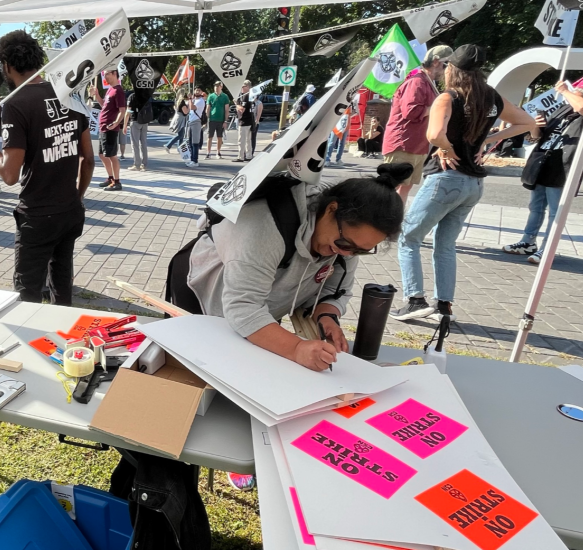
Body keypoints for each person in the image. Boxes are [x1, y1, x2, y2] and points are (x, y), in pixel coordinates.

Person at [171, 164, 410, 493]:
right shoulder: (264, 227)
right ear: (331, 209)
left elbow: (335, 287)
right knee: (200, 377)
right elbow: (241, 308)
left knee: (257, 367)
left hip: (263, 299)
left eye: (360, 250)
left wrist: (327, 316)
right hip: (206, 291)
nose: (346, 253)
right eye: (344, 244)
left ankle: (245, 449)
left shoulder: (347, 236)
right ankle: (196, 449)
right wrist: (297, 348)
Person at [392, 44, 535, 322]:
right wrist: (486, 141)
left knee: (409, 238)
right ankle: (444, 307)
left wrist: (445, 148)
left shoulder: (448, 97)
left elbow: (434, 135)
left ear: (451, 69)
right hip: (473, 185)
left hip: (445, 180)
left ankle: (414, 300)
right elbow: (526, 122)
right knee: (445, 246)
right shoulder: (491, 97)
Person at [0, 30, 95, 305]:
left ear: (7, 65)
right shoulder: (69, 95)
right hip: (69, 210)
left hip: (38, 216)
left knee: (27, 294)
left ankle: (34, 342)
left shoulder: (16, 104)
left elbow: (8, 174)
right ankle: (67, 340)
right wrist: (78, 196)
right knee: (62, 285)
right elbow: (88, 158)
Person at [503, 77, 583, 265]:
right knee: (536, 207)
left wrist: (566, 91)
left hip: (564, 166)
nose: (572, 94)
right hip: (544, 162)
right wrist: (536, 126)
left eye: (578, 91)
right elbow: (538, 137)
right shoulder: (564, 108)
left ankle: (547, 248)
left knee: (555, 212)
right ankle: (528, 241)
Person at [382, 45, 454, 203]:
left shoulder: (427, 82)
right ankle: (377, 221)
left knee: (405, 187)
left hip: (415, 145)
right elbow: (411, 112)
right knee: (390, 187)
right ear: (436, 62)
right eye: (446, 64)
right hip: (402, 143)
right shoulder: (417, 82)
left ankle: (396, 218)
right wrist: (437, 106)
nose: (447, 69)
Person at [96, 70, 127, 191]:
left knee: (111, 155)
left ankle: (117, 182)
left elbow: (122, 110)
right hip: (103, 127)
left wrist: (115, 123)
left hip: (110, 128)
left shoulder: (118, 90)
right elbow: (104, 105)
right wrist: (97, 95)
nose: (105, 77)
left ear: (114, 73)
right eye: (104, 75)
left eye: (107, 74)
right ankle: (110, 178)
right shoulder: (110, 89)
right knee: (102, 154)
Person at [124, 92, 149, 171]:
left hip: (135, 121)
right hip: (145, 122)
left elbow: (128, 111)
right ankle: (144, 164)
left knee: (135, 144)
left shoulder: (132, 96)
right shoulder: (145, 95)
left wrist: (125, 125)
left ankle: (137, 164)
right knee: (143, 143)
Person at [206, 81, 230, 160]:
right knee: (210, 136)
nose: (216, 87)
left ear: (221, 87)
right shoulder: (211, 96)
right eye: (215, 86)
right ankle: (208, 153)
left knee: (219, 137)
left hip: (221, 119)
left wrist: (225, 121)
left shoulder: (225, 96)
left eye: (218, 86)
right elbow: (208, 108)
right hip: (212, 119)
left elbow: (227, 109)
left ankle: (218, 152)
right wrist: (207, 119)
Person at [234, 80, 255, 162]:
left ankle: (241, 156)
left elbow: (242, 109)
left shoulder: (246, 96)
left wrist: (236, 103)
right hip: (249, 120)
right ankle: (249, 155)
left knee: (241, 140)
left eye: (243, 86)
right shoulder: (248, 96)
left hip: (244, 121)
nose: (242, 88)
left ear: (248, 87)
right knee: (247, 140)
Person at [187, 87, 206, 168]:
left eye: (199, 90)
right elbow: (188, 108)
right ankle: (192, 160)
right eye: (196, 90)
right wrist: (190, 99)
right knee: (190, 141)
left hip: (196, 122)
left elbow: (192, 107)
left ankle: (195, 161)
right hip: (191, 122)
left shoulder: (201, 101)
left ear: (201, 92)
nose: (197, 91)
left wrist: (190, 99)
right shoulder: (194, 100)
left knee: (195, 142)